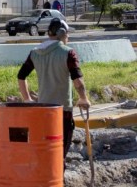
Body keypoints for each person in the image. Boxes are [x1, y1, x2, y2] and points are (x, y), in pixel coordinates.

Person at [17, 18, 90, 166]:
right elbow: (78, 81)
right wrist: (83, 98)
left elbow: (21, 76)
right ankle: (56, 185)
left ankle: (44, 182)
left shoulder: (35, 53)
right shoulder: (68, 53)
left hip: (42, 111)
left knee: (45, 149)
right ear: (62, 33)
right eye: (67, 34)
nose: (68, 37)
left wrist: (27, 99)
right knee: (59, 152)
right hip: (62, 112)